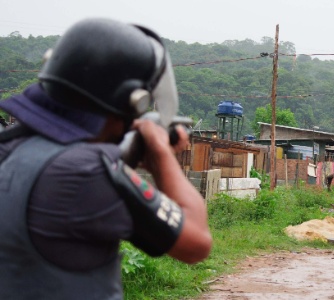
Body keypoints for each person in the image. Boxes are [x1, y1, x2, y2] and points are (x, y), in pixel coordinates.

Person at [0, 18, 212, 299]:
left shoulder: (9, 149)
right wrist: (160, 152)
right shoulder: (86, 171)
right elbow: (196, 243)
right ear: (130, 101)